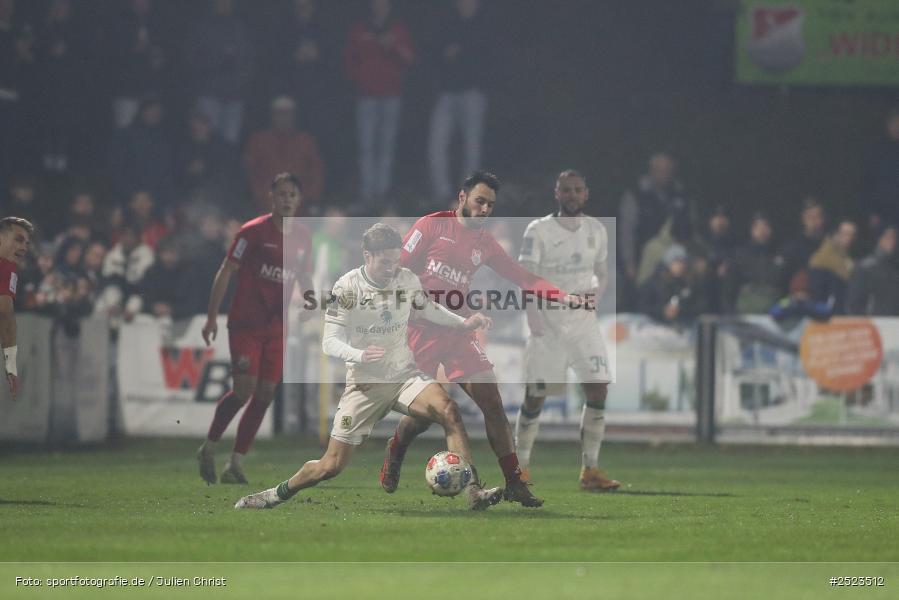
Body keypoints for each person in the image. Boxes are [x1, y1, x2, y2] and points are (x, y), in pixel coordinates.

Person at [234, 223, 503, 510]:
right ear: (367, 255)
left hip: (403, 375)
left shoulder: (406, 279)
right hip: (365, 385)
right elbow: (330, 342)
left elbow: (428, 309)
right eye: (385, 261)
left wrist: (464, 323)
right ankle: (274, 495)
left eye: (396, 260)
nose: (392, 267)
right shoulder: (347, 288)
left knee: (449, 411)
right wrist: (360, 355)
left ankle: (473, 492)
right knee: (331, 465)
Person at [380, 171, 583, 508]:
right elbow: (397, 268)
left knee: (492, 402)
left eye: (490, 204)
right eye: (480, 201)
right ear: (462, 199)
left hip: (458, 330)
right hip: (419, 330)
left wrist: (561, 295)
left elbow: (522, 276)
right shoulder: (431, 226)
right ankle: (398, 445)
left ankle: (513, 482)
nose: (485, 209)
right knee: (426, 416)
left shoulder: (485, 244)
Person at [196, 173, 313, 485]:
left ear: (299, 200)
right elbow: (226, 271)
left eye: (293, 194)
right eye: (282, 193)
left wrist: (311, 302)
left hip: (277, 328)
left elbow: (304, 277)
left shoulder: (303, 237)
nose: (287, 199)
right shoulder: (252, 232)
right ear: (271, 197)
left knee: (265, 393)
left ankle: (235, 464)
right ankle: (209, 447)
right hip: (246, 323)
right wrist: (211, 318)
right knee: (244, 390)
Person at [513, 170, 619, 492]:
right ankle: (519, 468)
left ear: (586, 194)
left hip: (583, 326)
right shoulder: (539, 230)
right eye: (566, 190)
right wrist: (533, 316)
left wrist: (596, 296)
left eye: (577, 190)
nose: (572, 195)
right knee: (536, 398)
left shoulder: (597, 230)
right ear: (556, 194)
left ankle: (590, 470)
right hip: (549, 324)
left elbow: (602, 272)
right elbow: (526, 277)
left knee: (598, 389)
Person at [344, 0, 414, 204]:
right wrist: (361, 79)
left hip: (391, 95)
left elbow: (409, 59)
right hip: (366, 96)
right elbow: (350, 60)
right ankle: (367, 195)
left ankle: (382, 194)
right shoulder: (361, 29)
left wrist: (392, 46)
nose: (380, 5)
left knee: (386, 147)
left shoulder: (398, 29)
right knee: (366, 147)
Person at [427, 0, 490, 203]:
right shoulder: (447, 23)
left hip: (473, 93)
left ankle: (468, 195)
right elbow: (435, 53)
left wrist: (461, 52)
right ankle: (441, 193)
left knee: (471, 147)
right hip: (447, 92)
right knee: (437, 143)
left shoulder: (482, 25)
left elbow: (487, 55)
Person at [243, 96, 324, 211]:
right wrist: (260, 196)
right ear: (272, 116)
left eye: (287, 114)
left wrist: (310, 197)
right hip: (266, 207)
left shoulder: (306, 141)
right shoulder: (258, 141)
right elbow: (251, 172)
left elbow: (316, 172)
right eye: (279, 114)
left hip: (299, 208)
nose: (284, 118)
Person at [0, 216, 32, 399]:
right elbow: (5, 313)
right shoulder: (6, 266)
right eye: (18, 240)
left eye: (26, 243)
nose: (24, 248)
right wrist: (11, 365)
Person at [846, 224, 899, 316]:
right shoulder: (865, 268)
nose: (892, 242)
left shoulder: (896, 269)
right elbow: (854, 304)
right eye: (888, 237)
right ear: (879, 239)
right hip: (874, 324)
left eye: (894, 238)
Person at [808, 220, 856, 315]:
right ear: (836, 234)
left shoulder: (848, 258)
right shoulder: (822, 258)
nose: (848, 238)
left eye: (852, 235)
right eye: (845, 234)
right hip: (828, 316)